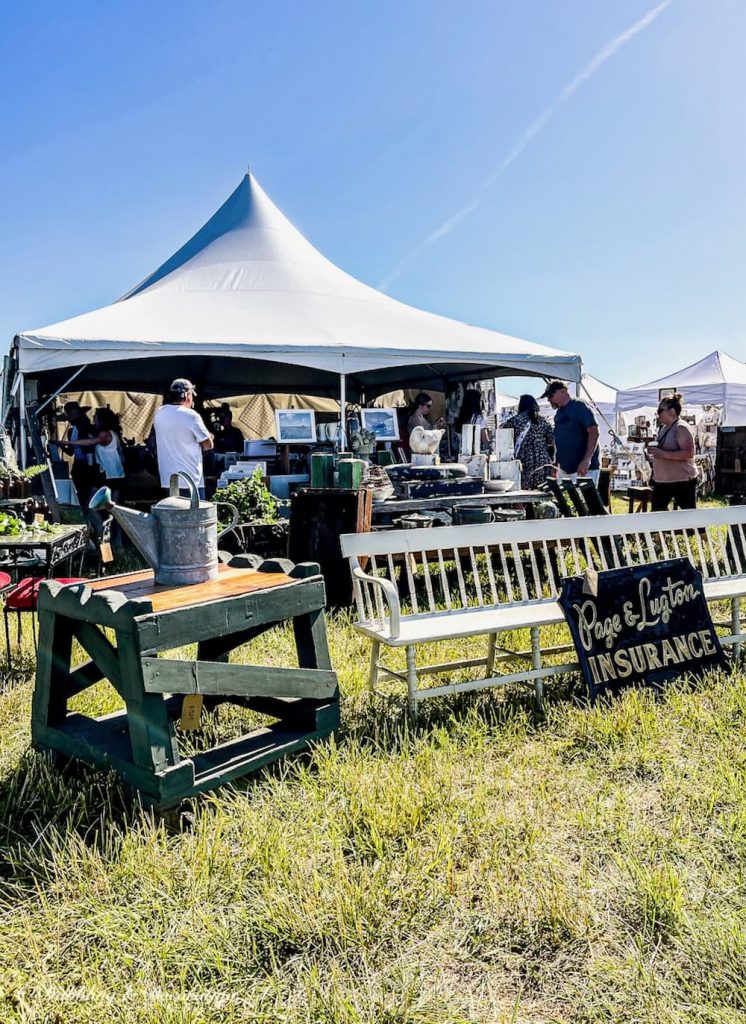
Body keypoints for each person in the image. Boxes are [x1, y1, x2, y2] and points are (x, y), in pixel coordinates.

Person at [153, 378, 213, 496]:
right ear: (187, 396)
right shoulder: (191, 416)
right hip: (191, 481)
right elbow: (208, 445)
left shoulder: (159, 413)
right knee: (196, 514)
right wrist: (209, 436)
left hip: (168, 482)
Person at [540, 381, 599, 484]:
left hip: (583, 469)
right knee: (565, 499)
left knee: (584, 499)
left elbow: (593, 432)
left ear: (562, 391)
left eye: (551, 395)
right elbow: (560, 440)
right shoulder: (558, 414)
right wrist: (556, 463)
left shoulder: (579, 406)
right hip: (565, 469)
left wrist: (586, 460)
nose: (549, 399)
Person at [65, 407, 126, 504]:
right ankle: (111, 518)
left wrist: (66, 442)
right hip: (114, 472)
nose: (94, 420)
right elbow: (120, 452)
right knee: (112, 504)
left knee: (94, 503)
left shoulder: (104, 434)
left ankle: (102, 518)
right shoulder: (112, 433)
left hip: (109, 473)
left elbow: (90, 442)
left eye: (96, 418)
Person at [648, 393, 697, 511]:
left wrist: (662, 454)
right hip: (663, 481)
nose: (658, 414)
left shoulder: (681, 427)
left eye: (660, 410)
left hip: (682, 481)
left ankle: (699, 530)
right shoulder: (664, 428)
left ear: (672, 412)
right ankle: (665, 529)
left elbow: (688, 453)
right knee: (657, 514)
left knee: (690, 516)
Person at [504, 395, 555, 489]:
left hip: (524, 459)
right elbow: (551, 440)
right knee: (541, 489)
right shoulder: (544, 420)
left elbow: (504, 439)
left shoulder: (514, 421)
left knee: (524, 490)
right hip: (542, 459)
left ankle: (524, 504)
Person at [56, 401, 99, 510]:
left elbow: (91, 446)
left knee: (88, 489)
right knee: (80, 489)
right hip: (79, 463)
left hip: (89, 464)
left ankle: (89, 510)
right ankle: (83, 508)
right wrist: (61, 445)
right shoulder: (71, 431)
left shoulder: (89, 429)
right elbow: (71, 452)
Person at [456, 386, 491, 453]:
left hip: (460, 454)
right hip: (474, 454)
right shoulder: (479, 419)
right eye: (480, 401)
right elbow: (484, 440)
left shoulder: (460, 418)